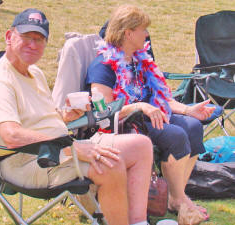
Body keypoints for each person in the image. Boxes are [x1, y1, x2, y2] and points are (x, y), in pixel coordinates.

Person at [0, 8, 153, 225]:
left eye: (39, 39)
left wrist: (66, 116)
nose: (33, 44)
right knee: (110, 163)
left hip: (62, 148)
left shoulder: (36, 73)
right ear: (9, 37)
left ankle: (138, 222)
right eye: (26, 37)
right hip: (29, 161)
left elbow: (44, 121)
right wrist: (72, 148)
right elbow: (12, 136)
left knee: (141, 146)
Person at [86, 4, 214, 221]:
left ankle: (175, 197)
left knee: (192, 127)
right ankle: (180, 199)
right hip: (126, 124)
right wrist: (139, 106)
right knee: (175, 135)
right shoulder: (103, 66)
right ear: (128, 33)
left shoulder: (140, 61)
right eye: (143, 30)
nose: (147, 35)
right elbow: (103, 113)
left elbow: (160, 98)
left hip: (150, 116)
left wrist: (188, 110)